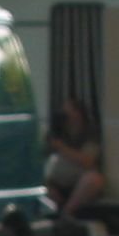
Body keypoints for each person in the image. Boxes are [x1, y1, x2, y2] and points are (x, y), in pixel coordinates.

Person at [44, 95, 105, 224]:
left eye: (69, 111)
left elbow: (88, 161)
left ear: (78, 114)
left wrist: (61, 147)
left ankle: (66, 213)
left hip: (78, 182)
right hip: (56, 182)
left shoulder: (90, 132)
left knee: (94, 179)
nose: (65, 115)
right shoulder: (57, 131)